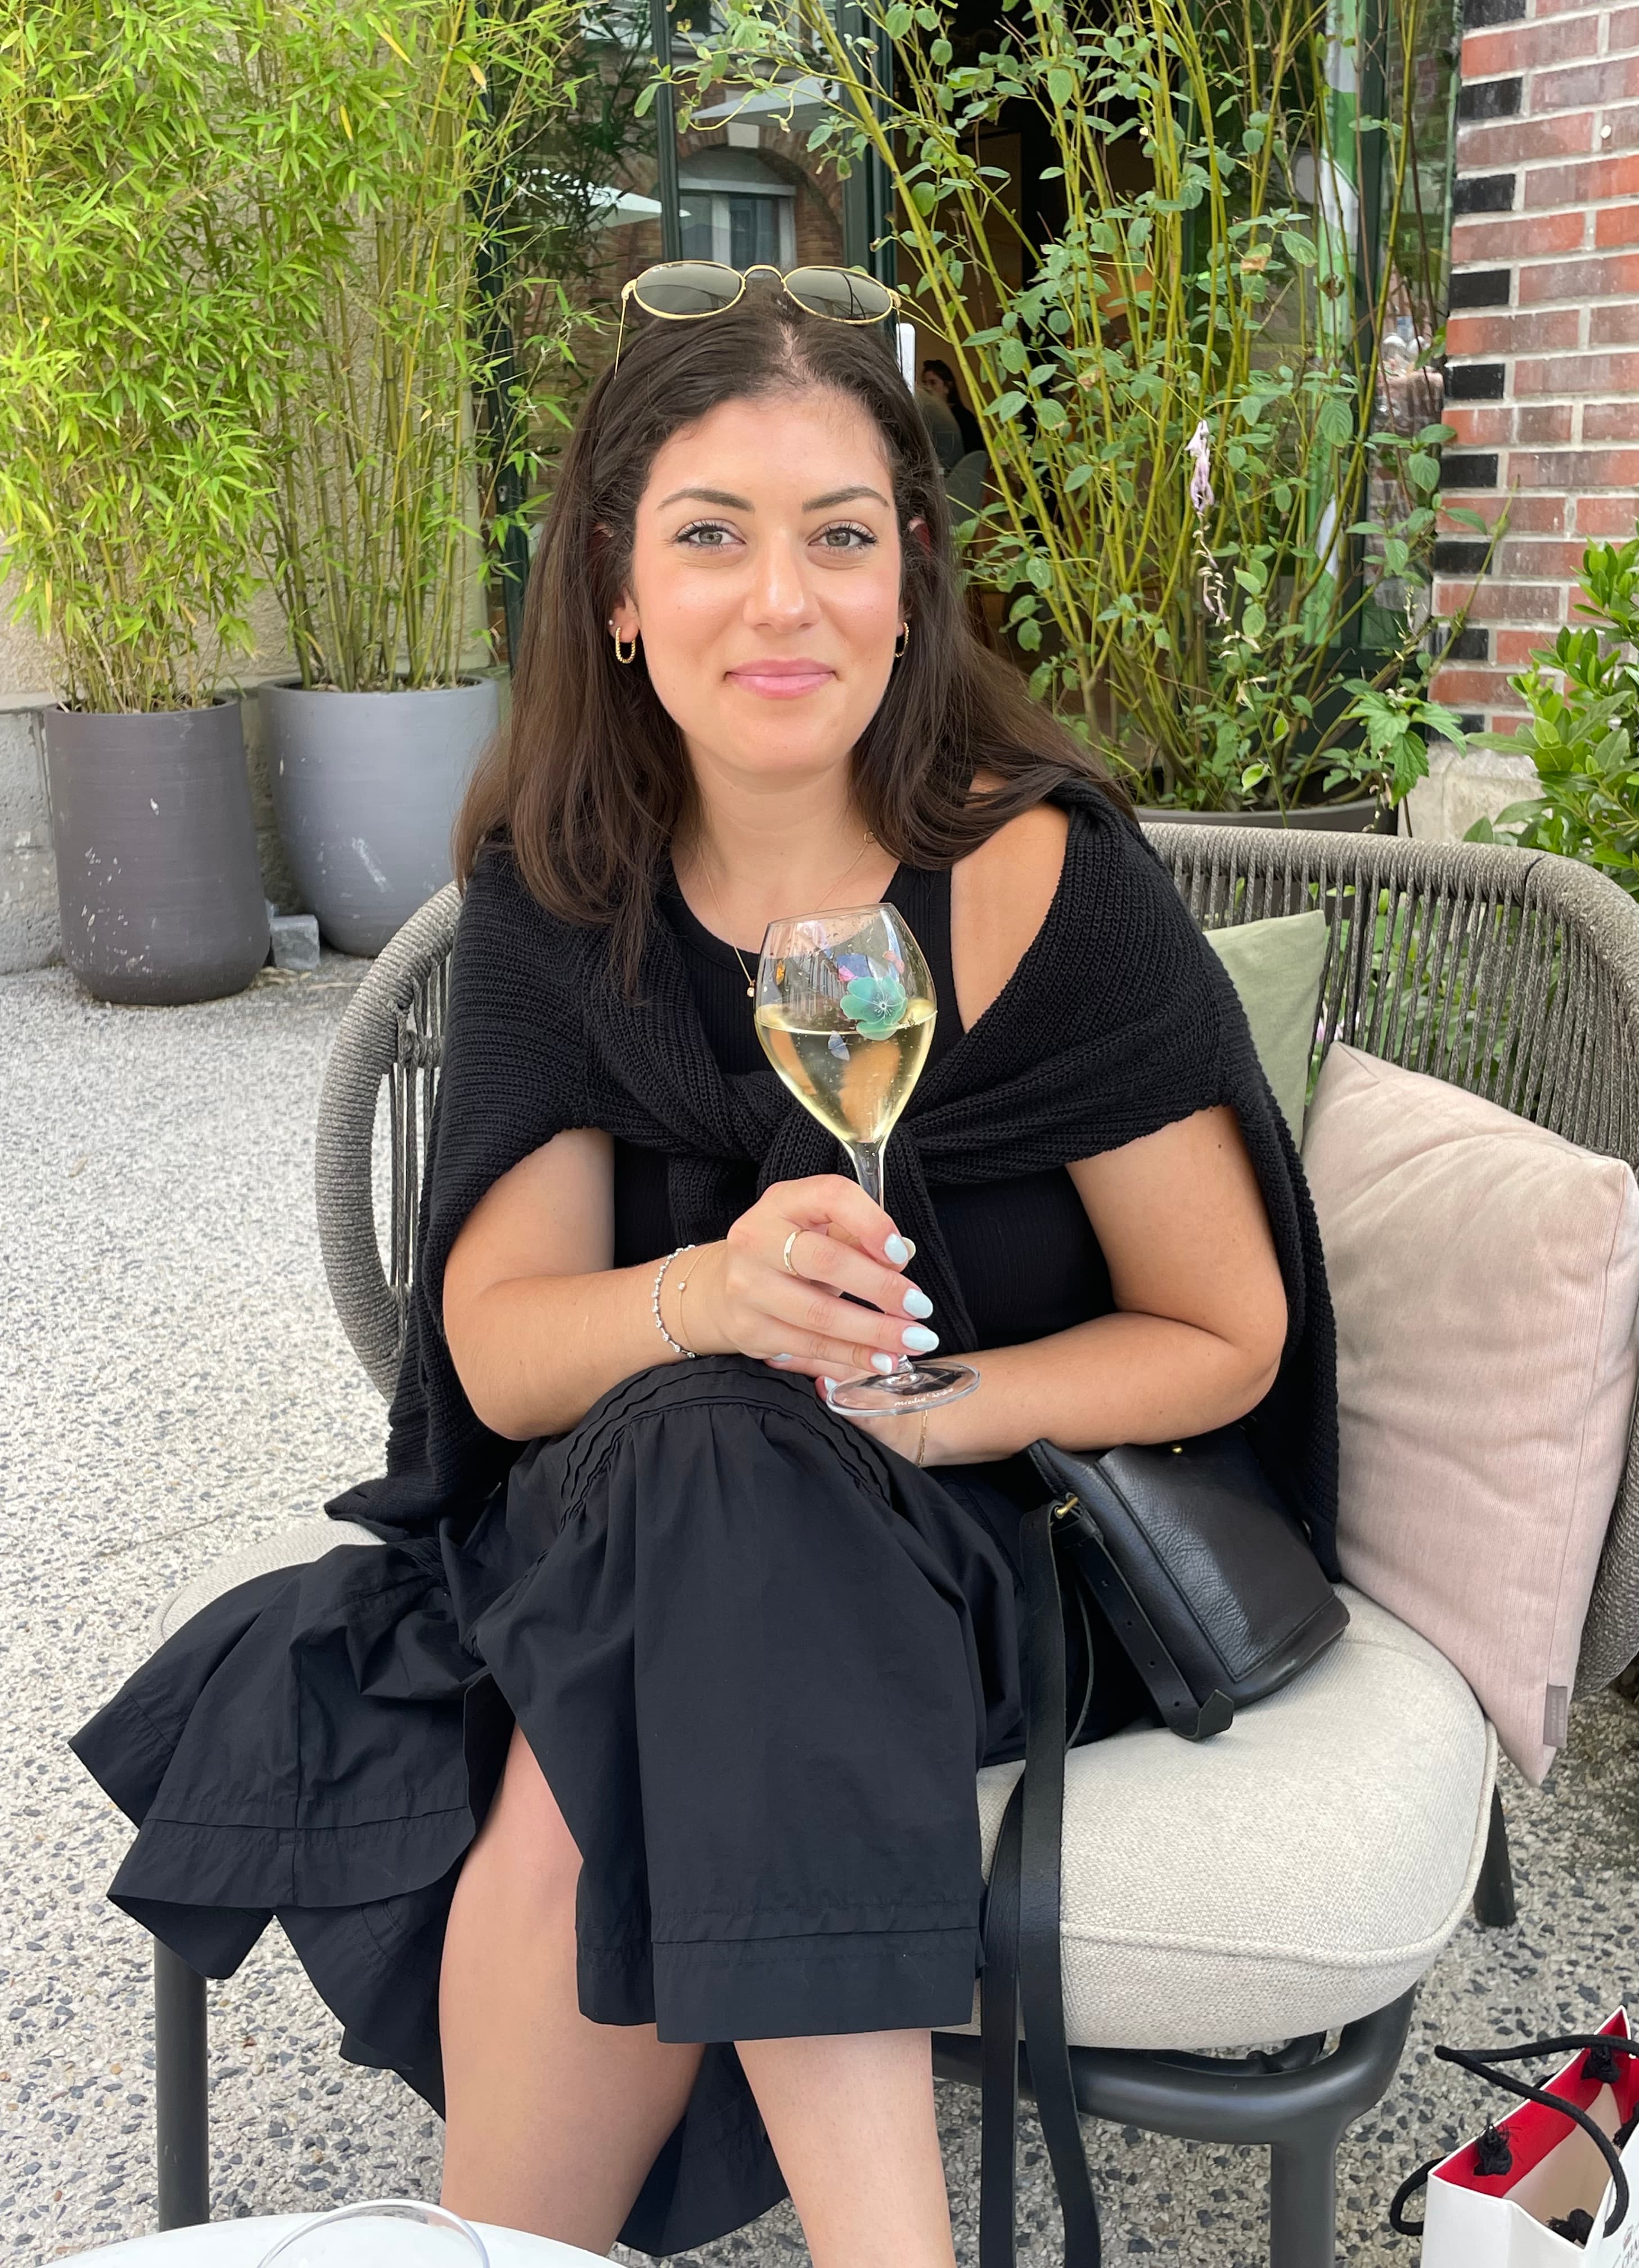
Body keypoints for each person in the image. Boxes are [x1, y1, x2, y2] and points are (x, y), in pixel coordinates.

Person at [71, 278, 1339, 2267]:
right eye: (710, 537)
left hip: (980, 1561)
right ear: (619, 590)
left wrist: (954, 1405)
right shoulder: (556, 906)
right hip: (637, 1521)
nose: (783, 599)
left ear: (910, 583)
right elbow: (496, 1357)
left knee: (691, 1549)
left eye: (840, 534)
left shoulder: (1038, 889)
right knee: (718, 1454)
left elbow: (1226, 1332)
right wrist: (714, 1301)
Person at [921, 358, 984, 461]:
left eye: (933, 383)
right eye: (925, 383)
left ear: (948, 387)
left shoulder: (965, 418)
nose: (928, 388)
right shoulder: (925, 417)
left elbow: (975, 457)